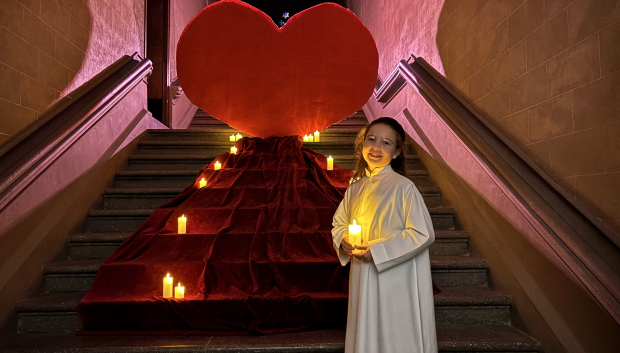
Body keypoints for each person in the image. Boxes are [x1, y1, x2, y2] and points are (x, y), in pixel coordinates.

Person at [332, 117, 438, 353]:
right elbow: (339, 222)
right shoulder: (355, 188)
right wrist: (344, 240)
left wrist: (378, 251)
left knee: (394, 332)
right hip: (363, 274)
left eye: (386, 142)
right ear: (362, 145)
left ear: (397, 152)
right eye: (371, 139)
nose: (376, 146)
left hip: (395, 278)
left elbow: (423, 233)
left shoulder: (404, 187)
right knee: (366, 329)